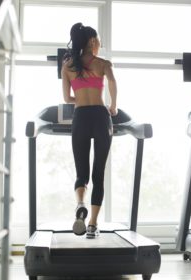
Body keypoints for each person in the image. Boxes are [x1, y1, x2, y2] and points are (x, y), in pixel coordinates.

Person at [61, 22, 117, 238]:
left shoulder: (67, 66)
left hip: (81, 116)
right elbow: (112, 84)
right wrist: (112, 105)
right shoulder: (103, 64)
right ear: (92, 41)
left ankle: (80, 204)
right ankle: (92, 224)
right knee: (98, 174)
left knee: (81, 173)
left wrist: (81, 99)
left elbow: (66, 98)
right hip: (101, 117)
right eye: (98, 41)